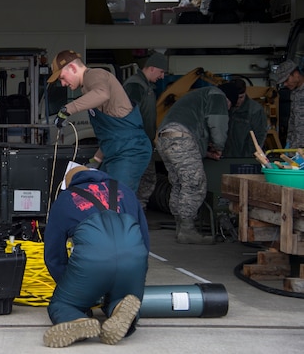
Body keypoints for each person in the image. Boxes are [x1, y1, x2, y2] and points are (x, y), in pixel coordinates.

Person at [43, 166, 149, 348]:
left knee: (62, 303)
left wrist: (70, 285)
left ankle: (76, 319)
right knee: (123, 298)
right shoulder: (125, 190)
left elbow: (54, 255)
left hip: (93, 260)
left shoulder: (66, 199)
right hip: (134, 257)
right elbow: (144, 240)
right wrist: (138, 271)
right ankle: (118, 307)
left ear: (68, 183)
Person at [49, 50, 151, 192]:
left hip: (129, 151)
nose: (63, 83)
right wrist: (96, 160)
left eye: (62, 78)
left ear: (72, 68)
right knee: (101, 196)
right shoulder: (88, 89)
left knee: (116, 201)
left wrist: (67, 110)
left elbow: (102, 94)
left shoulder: (94, 75)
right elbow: (111, 132)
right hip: (116, 152)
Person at [155, 82, 239, 244]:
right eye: (229, 107)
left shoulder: (199, 97)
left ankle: (181, 226)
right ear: (229, 100)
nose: (227, 110)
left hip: (165, 138)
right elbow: (218, 124)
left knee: (179, 184)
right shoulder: (218, 96)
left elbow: (194, 137)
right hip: (181, 138)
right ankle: (187, 230)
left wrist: (205, 151)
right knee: (195, 183)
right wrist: (219, 146)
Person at [122, 51, 168, 209]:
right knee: (142, 180)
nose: (162, 76)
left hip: (142, 142)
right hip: (135, 143)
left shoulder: (146, 86)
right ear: (152, 68)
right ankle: (133, 214)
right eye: (161, 72)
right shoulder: (135, 85)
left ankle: (135, 214)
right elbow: (127, 113)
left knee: (145, 180)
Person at [223, 79, 268, 157]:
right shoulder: (225, 107)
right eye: (234, 97)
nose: (237, 101)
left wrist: (249, 157)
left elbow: (259, 135)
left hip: (246, 157)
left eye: (241, 97)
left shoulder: (255, 110)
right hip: (225, 157)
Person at [270, 59, 304, 149]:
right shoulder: (294, 93)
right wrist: (289, 145)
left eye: (286, 80)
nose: (285, 84)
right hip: (297, 148)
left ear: (296, 74)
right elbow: (292, 122)